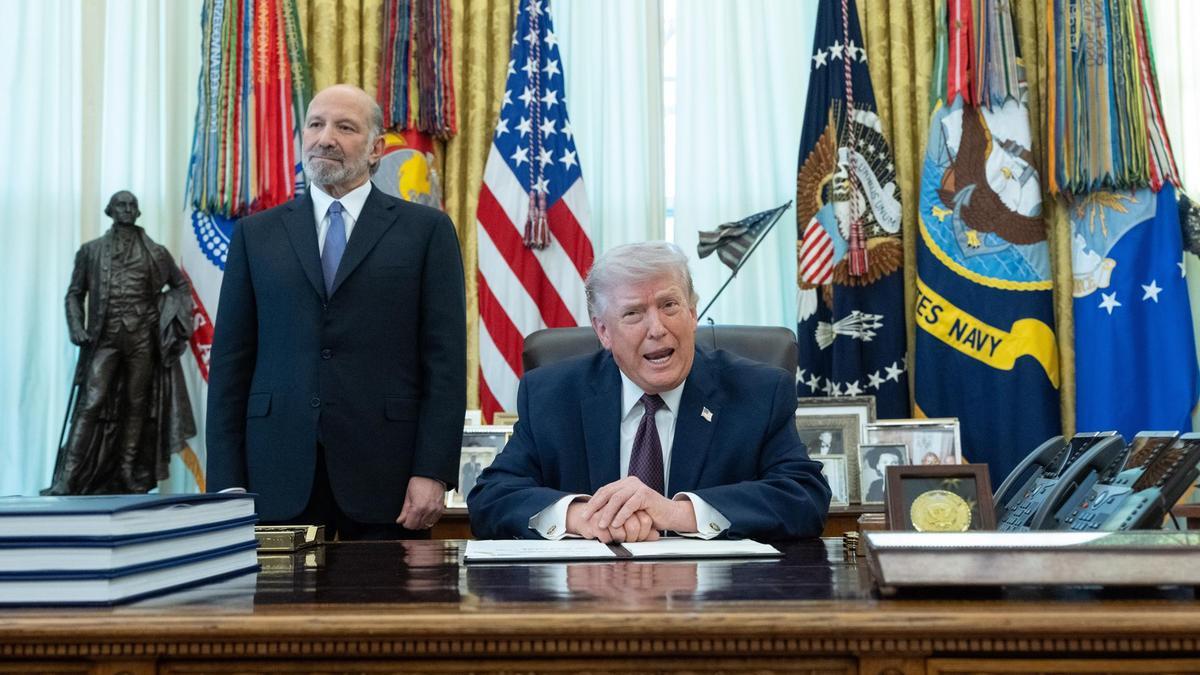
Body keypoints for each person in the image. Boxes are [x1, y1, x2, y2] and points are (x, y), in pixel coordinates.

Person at [206, 84, 466, 539]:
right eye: (315, 124)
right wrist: (227, 480)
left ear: (375, 150)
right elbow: (230, 363)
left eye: (345, 127)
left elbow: (444, 363)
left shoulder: (426, 232)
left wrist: (434, 471)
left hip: (388, 480)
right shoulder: (256, 235)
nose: (325, 137)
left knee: (385, 608)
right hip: (274, 477)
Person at [467, 241, 830, 542]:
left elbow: (804, 497)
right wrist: (580, 517)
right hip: (588, 608)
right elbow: (491, 498)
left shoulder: (758, 391)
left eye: (669, 306)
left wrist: (676, 512)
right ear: (603, 331)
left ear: (692, 312)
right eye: (633, 314)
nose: (657, 328)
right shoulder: (551, 395)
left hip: (716, 607)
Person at [46, 191, 195, 495]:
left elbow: (181, 287)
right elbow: (74, 293)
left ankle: (128, 472)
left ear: (137, 212)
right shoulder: (91, 251)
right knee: (90, 402)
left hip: (142, 339)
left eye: (131, 205)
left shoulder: (156, 252)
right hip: (105, 338)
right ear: (110, 210)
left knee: (136, 404)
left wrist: (164, 312)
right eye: (121, 205)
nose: (126, 210)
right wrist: (76, 326)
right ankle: (67, 478)